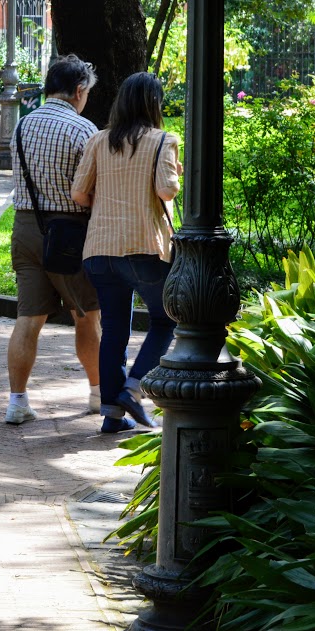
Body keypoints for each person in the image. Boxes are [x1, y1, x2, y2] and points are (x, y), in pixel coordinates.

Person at [71, 72, 181, 434]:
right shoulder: (163, 140)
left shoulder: (98, 140)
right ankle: (133, 390)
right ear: (154, 104)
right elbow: (166, 191)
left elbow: (79, 194)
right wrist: (176, 172)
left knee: (114, 330)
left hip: (99, 250)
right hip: (143, 247)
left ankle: (112, 415)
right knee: (166, 320)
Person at [4, 54, 102, 425]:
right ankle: (98, 395)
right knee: (86, 317)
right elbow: (91, 188)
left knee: (28, 319)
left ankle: (17, 402)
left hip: (26, 228)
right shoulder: (83, 130)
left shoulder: (22, 125)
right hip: (70, 233)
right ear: (78, 90)